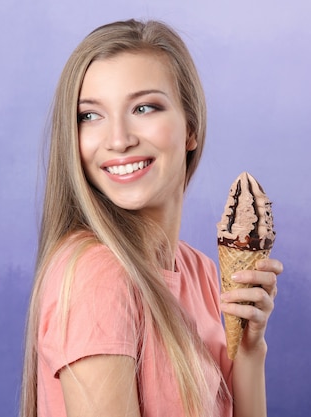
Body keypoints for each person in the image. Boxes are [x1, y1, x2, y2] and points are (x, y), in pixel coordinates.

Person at [20, 19, 283, 417]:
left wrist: (249, 350)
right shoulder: (98, 275)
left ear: (190, 127)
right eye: (90, 116)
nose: (119, 139)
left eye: (144, 108)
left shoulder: (200, 273)